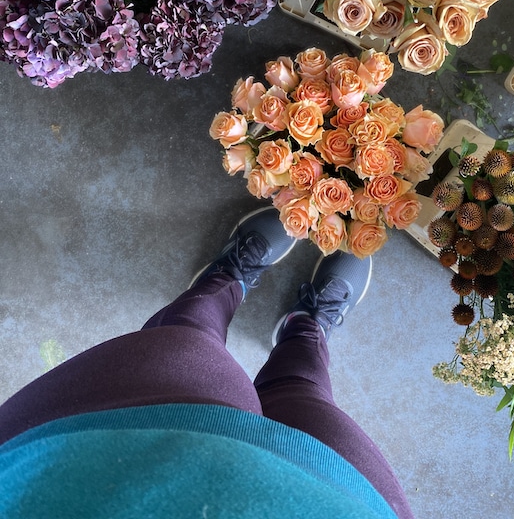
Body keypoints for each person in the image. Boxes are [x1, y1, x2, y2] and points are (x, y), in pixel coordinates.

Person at [0, 206, 414, 519]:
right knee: (306, 392)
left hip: (96, 473)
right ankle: (305, 328)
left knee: (188, 339)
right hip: (337, 501)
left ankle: (222, 283)